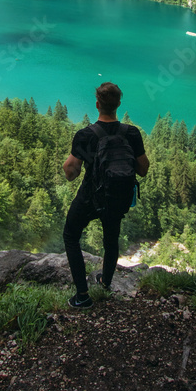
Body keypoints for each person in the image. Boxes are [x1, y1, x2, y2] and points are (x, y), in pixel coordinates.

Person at [62, 82, 149, 309]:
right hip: (116, 197)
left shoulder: (85, 135)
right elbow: (143, 169)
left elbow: (71, 172)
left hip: (91, 196)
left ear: (98, 104)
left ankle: (82, 295)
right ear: (118, 104)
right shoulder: (131, 133)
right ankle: (106, 283)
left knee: (71, 235)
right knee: (111, 240)